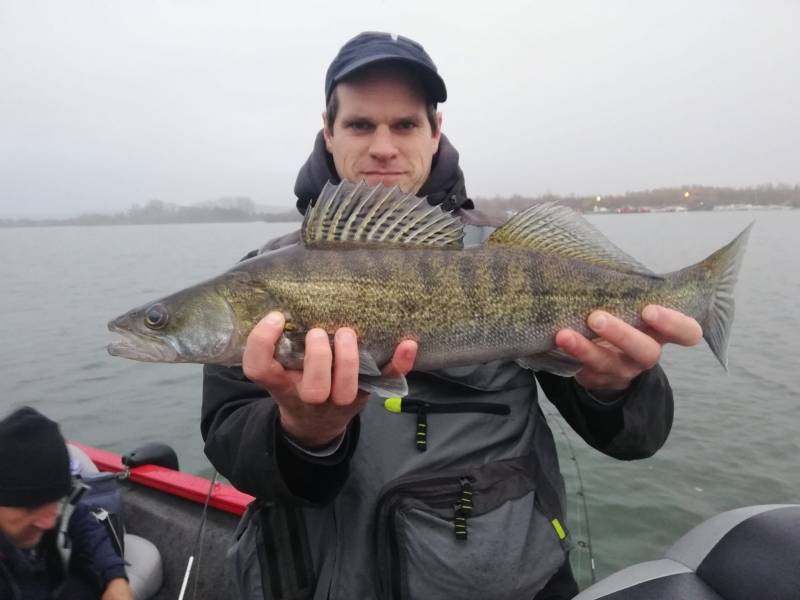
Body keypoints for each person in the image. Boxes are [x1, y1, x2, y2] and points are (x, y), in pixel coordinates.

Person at [201, 31, 703, 599]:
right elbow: (228, 440)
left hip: (506, 577)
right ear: (329, 132)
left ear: (436, 132)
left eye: (406, 125)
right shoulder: (262, 274)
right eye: (361, 125)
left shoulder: (509, 256)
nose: (383, 146)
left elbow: (634, 440)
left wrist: (618, 388)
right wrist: (303, 435)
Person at [0, 406, 133, 600]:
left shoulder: (54, 513)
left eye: (55, 501)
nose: (49, 523)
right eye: (30, 507)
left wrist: (115, 578)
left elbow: (83, 523)